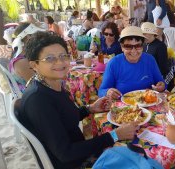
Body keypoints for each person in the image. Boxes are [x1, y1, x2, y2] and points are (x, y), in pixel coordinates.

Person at [20, 31, 138, 169]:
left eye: (63, 56)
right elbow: (66, 153)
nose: (60, 62)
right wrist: (114, 135)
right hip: (75, 163)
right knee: (138, 158)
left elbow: (63, 117)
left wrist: (89, 109)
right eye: (50, 58)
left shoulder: (52, 85)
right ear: (34, 64)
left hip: (79, 153)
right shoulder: (38, 100)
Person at [98, 26, 166, 99]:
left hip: (148, 104)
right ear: (122, 47)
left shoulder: (150, 60)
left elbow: (161, 83)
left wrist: (161, 86)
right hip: (124, 108)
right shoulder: (114, 63)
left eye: (138, 46)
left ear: (143, 46)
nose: (133, 51)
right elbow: (101, 91)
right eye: (128, 46)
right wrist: (108, 92)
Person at [10, 23, 44, 92]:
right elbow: (38, 86)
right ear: (28, 37)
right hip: (33, 98)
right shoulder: (22, 62)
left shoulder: (24, 56)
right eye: (39, 36)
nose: (42, 39)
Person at [141, 22, 175, 91]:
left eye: (145, 33)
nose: (143, 36)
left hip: (157, 75)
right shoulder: (143, 44)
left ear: (152, 34)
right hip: (145, 73)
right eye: (142, 34)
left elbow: (162, 67)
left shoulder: (160, 46)